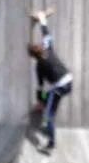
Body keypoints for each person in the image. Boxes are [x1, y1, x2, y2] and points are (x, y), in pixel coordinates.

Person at [27, 9, 72, 153]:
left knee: (48, 116)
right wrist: (42, 18)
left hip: (61, 86)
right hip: (68, 80)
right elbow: (46, 34)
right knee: (50, 95)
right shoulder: (48, 49)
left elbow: (40, 87)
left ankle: (51, 143)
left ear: (33, 57)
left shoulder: (39, 67)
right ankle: (44, 104)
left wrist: (40, 101)